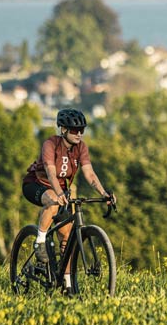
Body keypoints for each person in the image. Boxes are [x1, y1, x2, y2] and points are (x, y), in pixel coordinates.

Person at [21, 108, 115, 289]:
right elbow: (50, 171)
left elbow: (89, 173)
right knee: (53, 201)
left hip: (61, 191)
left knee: (67, 239)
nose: (79, 134)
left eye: (82, 130)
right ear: (63, 129)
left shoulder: (81, 147)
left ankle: (68, 284)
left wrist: (104, 194)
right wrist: (59, 193)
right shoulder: (50, 144)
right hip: (37, 184)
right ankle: (40, 241)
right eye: (74, 130)